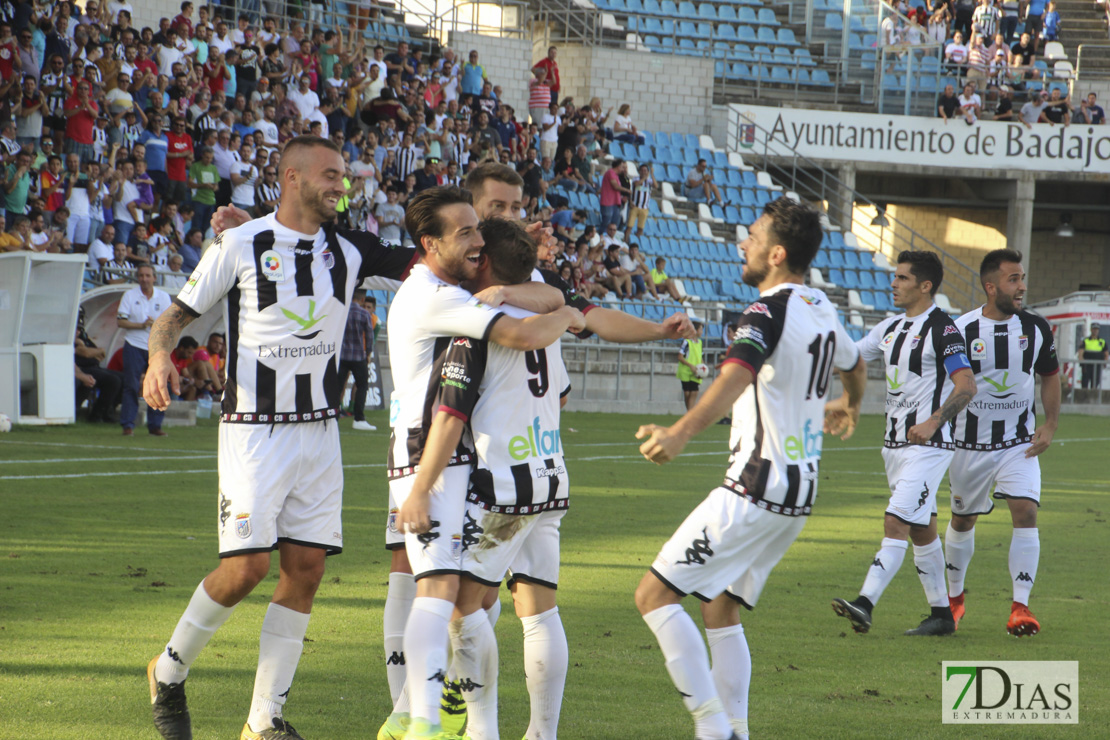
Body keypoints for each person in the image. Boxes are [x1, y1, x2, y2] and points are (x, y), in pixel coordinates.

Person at [140, 136, 420, 740]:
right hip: (254, 432)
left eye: (344, 176)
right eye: (330, 175)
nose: (341, 185)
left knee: (306, 569)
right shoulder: (240, 243)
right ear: (291, 177)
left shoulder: (352, 248)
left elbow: (430, 260)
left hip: (320, 433)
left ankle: (264, 720)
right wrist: (159, 356)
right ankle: (167, 670)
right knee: (245, 568)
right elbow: (175, 315)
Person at [634, 197, 866, 740]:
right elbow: (855, 365)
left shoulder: (766, 311)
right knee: (719, 606)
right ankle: (735, 727)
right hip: (796, 496)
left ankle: (713, 727)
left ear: (777, 254)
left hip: (754, 489)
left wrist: (680, 432)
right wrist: (849, 404)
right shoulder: (821, 306)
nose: (745, 242)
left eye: (755, 236)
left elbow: (736, 375)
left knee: (653, 595)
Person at [381, 185, 582, 740]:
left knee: (450, 598)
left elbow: (532, 308)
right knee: (456, 597)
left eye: (479, 230)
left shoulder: (466, 297)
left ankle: (432, 721)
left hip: (471, 465)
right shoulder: (443, 299)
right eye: (464, 230)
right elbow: (528, 326)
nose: (474, 239)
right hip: (442, 460)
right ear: (430, 242)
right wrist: (568, 312)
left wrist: (540, 299)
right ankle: (433, 718)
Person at [830, 251, 976, 637]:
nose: (893, 284)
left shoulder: (943, 330)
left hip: (930, 447)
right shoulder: (890, 328)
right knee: (921, 529)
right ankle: (942, 615)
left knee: (895, 520)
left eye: (902, 278)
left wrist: (933, 420)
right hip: (893, 447)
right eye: (894, 277)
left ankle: (865, 603)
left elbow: (967, 386)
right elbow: (849, 359)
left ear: (925, 286)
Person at [946, 249, 1061, 637]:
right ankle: (955, 599)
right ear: (990, 286)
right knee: (962, 520)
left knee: (1026, 512)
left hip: (1018, 443)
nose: (1022, 286)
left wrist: (1050, 424)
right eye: (1013, 279)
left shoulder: (1036, 328)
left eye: (1022, 277)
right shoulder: (960, 330)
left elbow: (1049, 375)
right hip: (969, 445)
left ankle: (1021, 607)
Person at [118, 263, 172, 437]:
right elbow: (120, 321)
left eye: (148, 275)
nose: (144, 279)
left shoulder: (163, 297)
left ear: (154, 278)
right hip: (134, 344)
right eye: (141, 275)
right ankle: (128, 424)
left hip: (155, 348)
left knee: (157, 385)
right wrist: (141, 325)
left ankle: (155, 425)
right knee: (131, 386)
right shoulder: (129, 295)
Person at [74, 306, 123, 422]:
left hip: (94, 366)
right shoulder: (68, 334)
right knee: (113, 380)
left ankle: (109, 410)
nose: (78, 331)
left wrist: (94, 351)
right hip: (81, 368)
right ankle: (96, 415)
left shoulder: (83, 336)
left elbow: (100, 355)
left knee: (125, 379)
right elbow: (84, 352)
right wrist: (95, 351)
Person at [339, 289, 376, 431]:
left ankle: (331, 415)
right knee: (362, 386)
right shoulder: (365, 314)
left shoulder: (342, 311)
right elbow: (370, 336)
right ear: (362, 300)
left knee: (337, 386)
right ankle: (359, 418)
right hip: (358, 356)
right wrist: (368, 353)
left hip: (342, 356)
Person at [676, 318, 705, 411]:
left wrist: (703, 368)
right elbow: (680, 357)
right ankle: (689, 412)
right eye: (701, 329)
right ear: (695, 330)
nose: (702, 331)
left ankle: (690, 414)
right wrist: (690, 366)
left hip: (696, 372)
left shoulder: (700, 343)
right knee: (687, 393)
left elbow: (700, 356)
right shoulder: (686, 342)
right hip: (686, 371)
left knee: (694, 392)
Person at [1078, 324, 1107, 389]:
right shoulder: (1086, 340)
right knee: (1085, 383)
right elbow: (1081, 352)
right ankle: (1084, 397)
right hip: (1087, 365)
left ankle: (1094, 398)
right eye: (1094, 329)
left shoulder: (1102, 341)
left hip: (1097, 366)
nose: (1095, 331)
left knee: (1095, 384)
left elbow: (1106, 353)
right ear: (1091, 330)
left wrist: (1105, 362)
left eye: (1097, 329)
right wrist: (1082, 361)